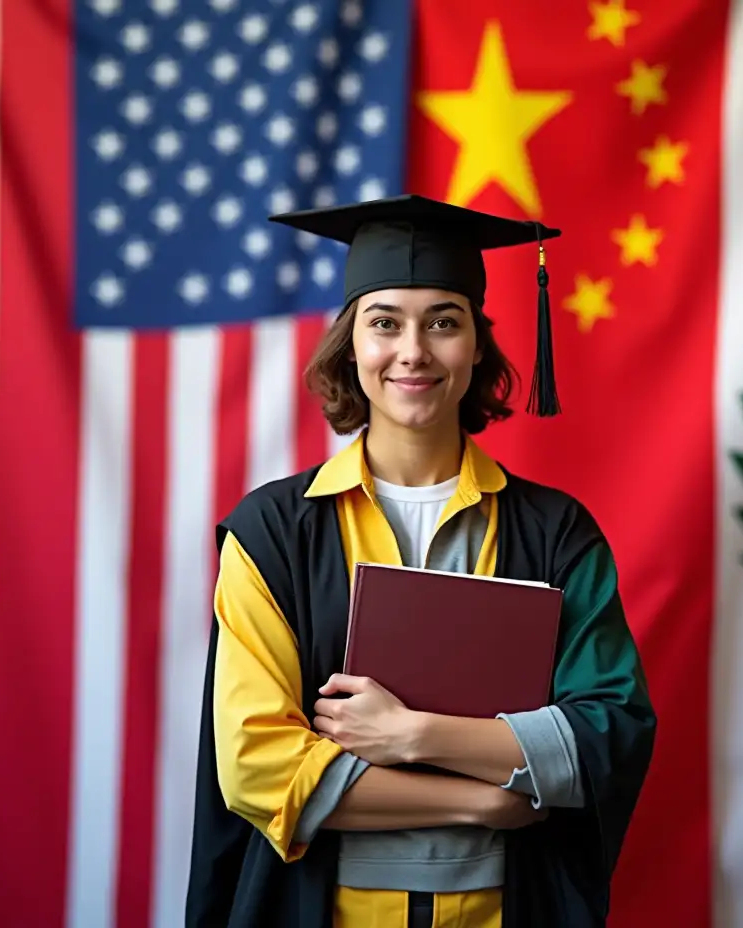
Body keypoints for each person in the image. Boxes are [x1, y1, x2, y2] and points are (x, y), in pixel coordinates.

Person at [185, 194, 657, 928]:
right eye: (384, 323)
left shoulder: (556, 534)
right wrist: (487, 797)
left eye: (444, 321)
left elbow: (609, 733)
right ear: (349, 346)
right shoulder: (275, 534)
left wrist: (412, 735)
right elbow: (255, 767)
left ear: (476, 344)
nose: (413, 350)